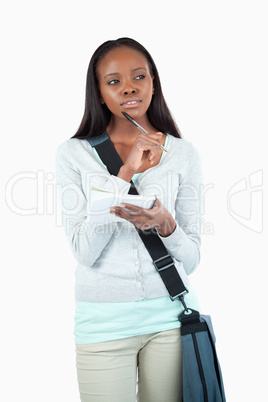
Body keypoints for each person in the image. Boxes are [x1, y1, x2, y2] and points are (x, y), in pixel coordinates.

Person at [56, 37, 203, 402]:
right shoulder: (73, 155)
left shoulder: (183, 154)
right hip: (102, 322)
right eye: (114, 81)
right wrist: (124, 176)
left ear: (153, 81)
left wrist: (167, 224)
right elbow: (84, 252)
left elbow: (192, 259)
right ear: (99, 92)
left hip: (168, 319)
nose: (129, 88)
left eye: (138, 76)